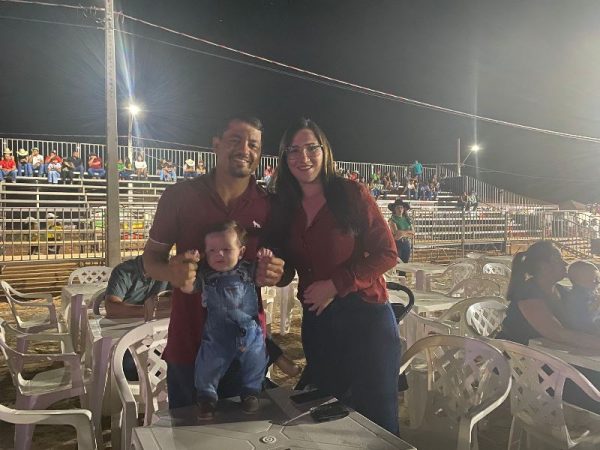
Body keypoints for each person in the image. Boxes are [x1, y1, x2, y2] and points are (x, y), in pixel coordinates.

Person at [142, 115, 285, 410]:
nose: (245, 149)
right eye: (235, 140)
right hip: (189, 344)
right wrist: (172, 272)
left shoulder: (268, 205)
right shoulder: (179, 196)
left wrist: (277, 272)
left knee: (247, 431)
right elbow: (150, 260)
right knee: (191, 431)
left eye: (253, 144)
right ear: (216, 144)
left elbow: (285, 269)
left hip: (247, 347)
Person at [270, 118, 400, 435]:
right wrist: (273, 271)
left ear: (324, 150)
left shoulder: (351, 193)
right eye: (293, 150)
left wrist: (335, 284)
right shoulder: (284, 205)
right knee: (327, 416)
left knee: (377, 418)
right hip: (318, 322)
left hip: (365, 317)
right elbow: (287, 270)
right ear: (284, 157)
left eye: (311, 148)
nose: (303, 157)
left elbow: (387, 252)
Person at [497, 240, 600, 413]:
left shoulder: (561, 291)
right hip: (527, 367)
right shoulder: (528, 294)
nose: (565, 263)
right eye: (558, 259)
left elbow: (581, 324)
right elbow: (557, 333)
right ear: (544, 266)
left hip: (556, 361)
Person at [181, 222, 269, 417]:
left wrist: (265, 260)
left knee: (256, 359)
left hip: (249, 330)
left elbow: (263, 279)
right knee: (208, 362)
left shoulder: (249, 269)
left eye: (226, 249)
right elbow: (187, 288)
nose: (219, 254)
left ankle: (251, 392)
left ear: (241, 251)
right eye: (212, 250)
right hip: (217, 333)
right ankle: (206, 396)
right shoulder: (204, 274)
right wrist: (188, 265)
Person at [105, 255, 171, 319]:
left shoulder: (170, 270)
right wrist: (147, 311)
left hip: (159, 323)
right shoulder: (123, 271)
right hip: (125, 322)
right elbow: (111, 308)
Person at [561, 261, 600, 334]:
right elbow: (584, 314)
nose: (597, 282)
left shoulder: (589, 291)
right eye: (594, 279)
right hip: (587, 329)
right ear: (579, 280)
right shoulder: (577, 295)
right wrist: (597, 302)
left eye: (598, 279)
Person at [388, 199, 414, 266]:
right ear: (394, 209)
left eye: (401, 207)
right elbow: (396, 234)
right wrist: (408, 232)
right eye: (398, 208)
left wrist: (402, 233)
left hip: (406, 243)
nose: (400, 209)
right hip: (397, 244)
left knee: (405, 264)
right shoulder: (392, 220)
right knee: (397, 264)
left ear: (403, 209)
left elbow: (413, 233)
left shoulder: (407, 219)